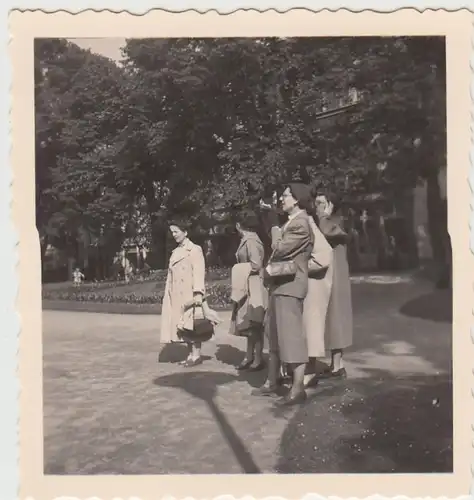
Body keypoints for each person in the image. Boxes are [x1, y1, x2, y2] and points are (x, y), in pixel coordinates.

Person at [254, 183, 314, 406]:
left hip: (290, 286)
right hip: (280, 285)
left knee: (292, 337)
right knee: (275, 335)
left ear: (297, 199)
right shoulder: (291, 222)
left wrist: (273, 226)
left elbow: (279, 249)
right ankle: (273, 381)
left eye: (286, 196)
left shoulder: (301, 223)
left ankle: (298, 389)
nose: (282, 200)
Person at [160, 220, 218, 367]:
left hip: (189, 293)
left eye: (176, 232)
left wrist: (198, 292)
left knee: (193, 323)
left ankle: (196, 355)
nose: (174, 235)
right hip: (176, 294)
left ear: (185, 232)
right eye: (172, 232)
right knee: (182, 326)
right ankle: (190, 354)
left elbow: (199, 272)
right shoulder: (176, 251)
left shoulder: (194, 249)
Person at [315, 190, 353, 379]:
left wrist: (324, 216)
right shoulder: (327, 221)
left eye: (322, 203)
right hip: (330, 275)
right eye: (316, 204)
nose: (317, 208)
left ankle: (338, 366)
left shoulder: (335, 222)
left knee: (336, 319)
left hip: (337, 277)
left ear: (330, 205)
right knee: (330, 319)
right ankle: (335, 364)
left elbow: (324, 232)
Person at [229, 210, 267, 371]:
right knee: (249, 324)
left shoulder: (250, 241)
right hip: (248, 284)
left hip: (253, 285)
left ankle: (257, 359)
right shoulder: (250, 239)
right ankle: (249, 356)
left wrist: (238, 269)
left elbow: (256, 264)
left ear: (238, 225)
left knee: (254, 323)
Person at [302, 196, 334, 387]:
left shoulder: (309, 224)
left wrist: (299, 266)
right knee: (305, 328)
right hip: (305, 282)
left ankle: (310, 371)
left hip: (313, 284)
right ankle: (304, 370)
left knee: (311, 326)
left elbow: (324, 256)